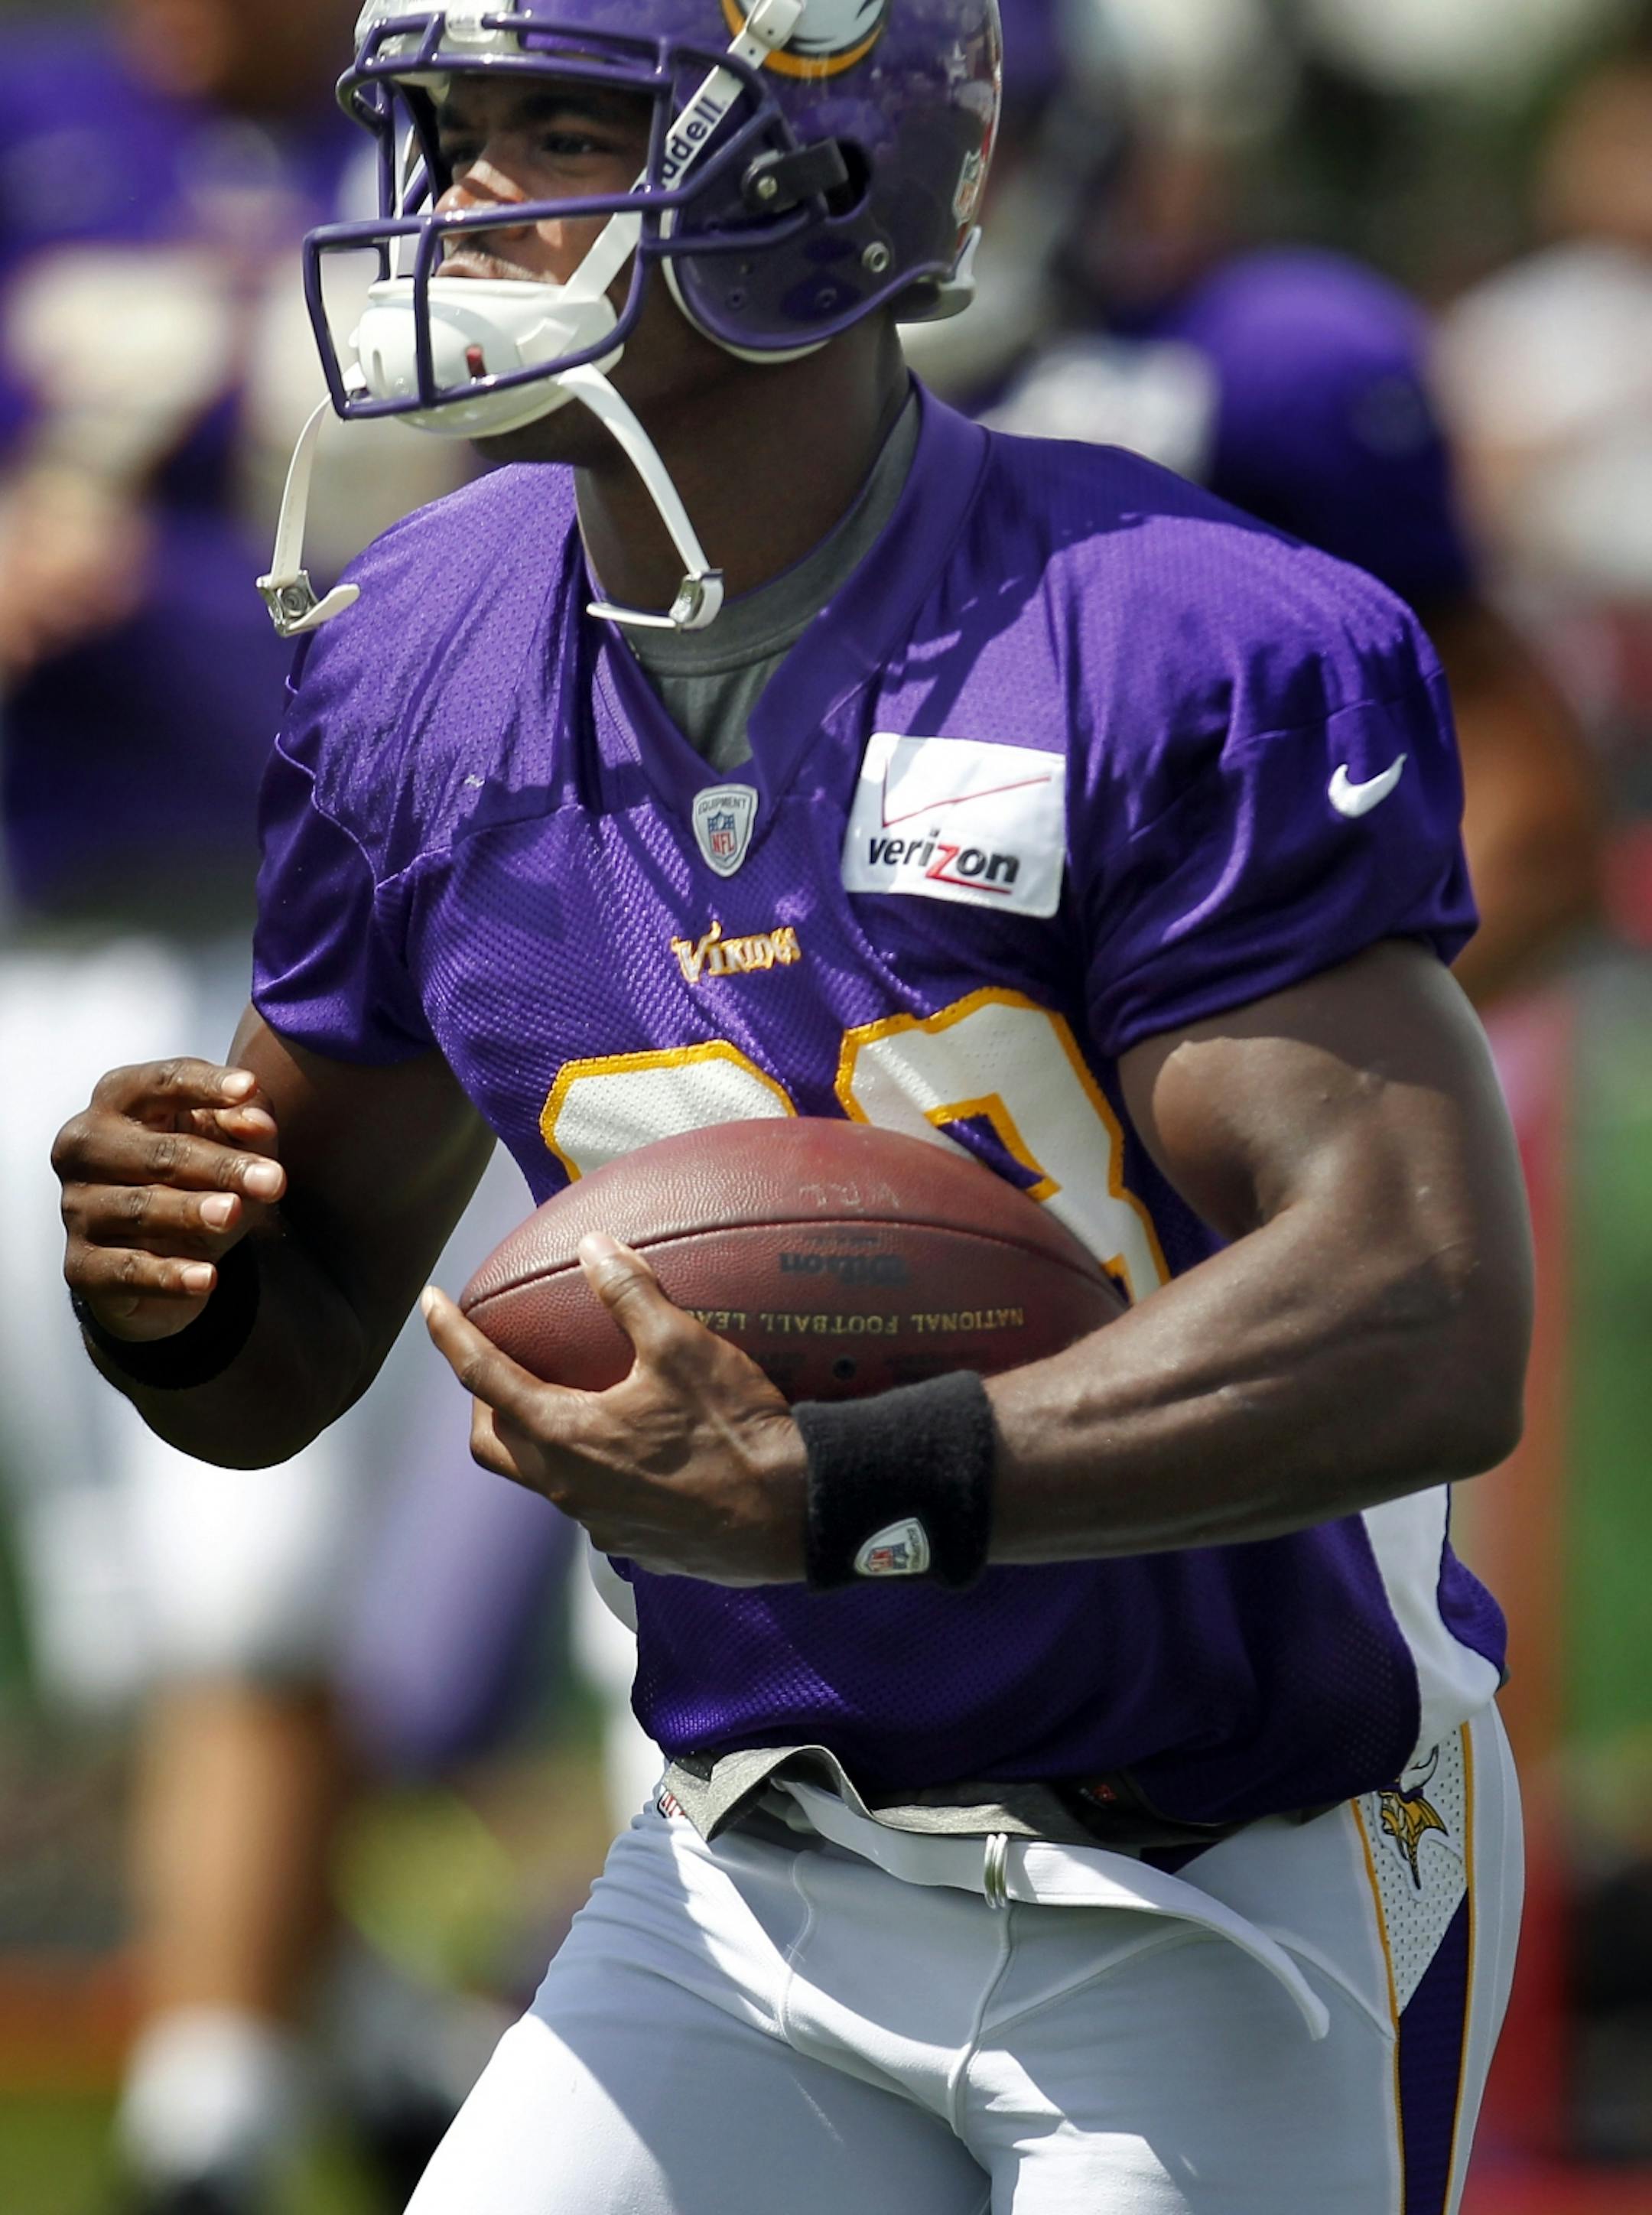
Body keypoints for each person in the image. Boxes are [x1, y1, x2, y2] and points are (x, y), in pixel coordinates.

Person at [52, 1, 1535, 2208]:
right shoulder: (418, 656)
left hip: (1233, 1869)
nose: (469, 200)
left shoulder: (1163, 633)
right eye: (453, 131)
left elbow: (1419, 1313)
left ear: (823, 170)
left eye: (567, 126)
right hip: (752, 1870)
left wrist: (848, 1485)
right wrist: (177, 1279)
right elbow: (298, 1333)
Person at [0, 2, 475, 2206]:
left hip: (327, 945)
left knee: (246, 1574)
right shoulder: (36, 119)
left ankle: (205, 2122)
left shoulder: (467, 137)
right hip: (41, 925)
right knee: (123, 1615)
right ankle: (372, 2037)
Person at [913, 0, 1600, 1016]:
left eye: (943, 139)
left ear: (1072, 141)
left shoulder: (1255, 377)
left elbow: (1529, 815)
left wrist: (1315, 1061)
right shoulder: (719, 423)